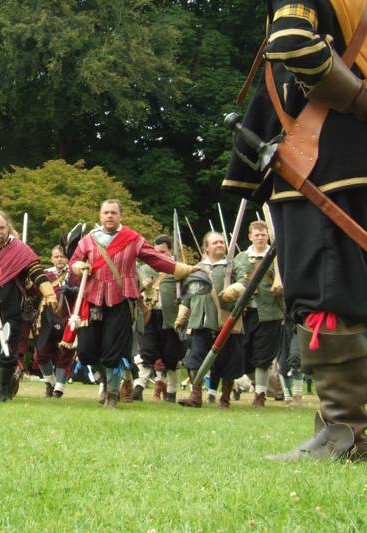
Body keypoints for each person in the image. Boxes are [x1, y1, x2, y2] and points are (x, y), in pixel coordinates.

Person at [223, 0, 367, 460]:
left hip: (324, 164)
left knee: (328, 295)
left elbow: (292, 42)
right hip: (348, 163)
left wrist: (358, 100)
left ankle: (345, 431)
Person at [68, 200, 194, 408]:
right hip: (92, 301)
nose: (109, 216)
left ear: (121, 216)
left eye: (113, 212)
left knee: (113, 352)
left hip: (121, 300)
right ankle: (109, 380)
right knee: (86, 352)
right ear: (100, 216)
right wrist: (78, 266)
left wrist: (185, 269)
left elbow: (156, 258)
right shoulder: (88, 240)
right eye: (106, 212)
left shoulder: (132, 238)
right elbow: (73, 261)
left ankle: (112, 395)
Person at [0, 211, 58, 402]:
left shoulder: (21, 250)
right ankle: (9, 377)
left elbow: (37, 272)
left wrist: (49, 292)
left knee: (6, 351)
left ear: (8, 228)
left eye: (2, 227)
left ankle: (1, 390)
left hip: (12, 310)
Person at [174, 232, 246, 409]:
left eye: (222, 242)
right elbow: (187, 296)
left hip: (226, 321)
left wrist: (235, 288)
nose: (220, 244)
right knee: (194, 359)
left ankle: (225, 399)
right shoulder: (197, 269)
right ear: (206, 247)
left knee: (228, 362)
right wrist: (181, 316)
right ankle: (195, 395)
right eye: (215, 242)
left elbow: (246, 280)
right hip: (200, 322)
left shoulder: (233, 265)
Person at [220, 221, 284, 408]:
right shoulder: (240, 258)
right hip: (245, 313)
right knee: (244, 355)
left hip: (270, 312)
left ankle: (260, 395)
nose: (260, 238)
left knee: (263, 356)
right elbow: (230, 279)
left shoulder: (277, 257)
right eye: (257, 234)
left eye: (263, 234)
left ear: (268, 236)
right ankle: (257, 385)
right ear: (250, 237)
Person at [134, 235, 187, 402]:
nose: (159, 255)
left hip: (171, 317)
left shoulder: (178, 268)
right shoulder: (145, 269)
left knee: (172, 356)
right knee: (146, 352)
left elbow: (187, 292)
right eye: (157, 252)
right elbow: (136, 289)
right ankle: (139, 386)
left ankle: (171, 392)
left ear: (170, 251)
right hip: (149, 315)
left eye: (163, 252)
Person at [35, 245, 75, 398]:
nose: (60, 259)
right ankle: (50, 383)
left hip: (67, 318)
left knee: (65, 353)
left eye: (62, 256)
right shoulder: (45, 275)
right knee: (41, 352)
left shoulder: (74, 274)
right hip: (47, 319)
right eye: (56, 256)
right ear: (52, 259)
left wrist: (73, 290)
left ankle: (59, 388)